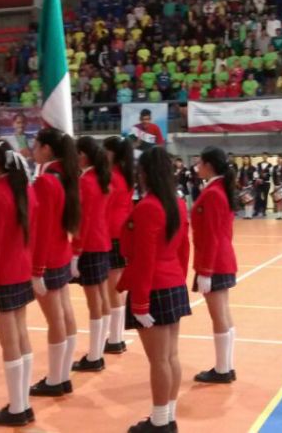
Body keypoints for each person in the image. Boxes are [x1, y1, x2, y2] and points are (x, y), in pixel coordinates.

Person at [118, 147, 191, 433]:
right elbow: (184, 248)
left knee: (159, 360)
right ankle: (167, 416)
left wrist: (140, 302)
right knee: (171, 356)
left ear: (145, 172)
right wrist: (179, 280)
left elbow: (145, 258)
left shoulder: (149, 207)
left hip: (153, 287)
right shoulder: (177, 202)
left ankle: (160, 422)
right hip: (171, 282)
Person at [0, 140, 36, 426]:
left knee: (9, 342)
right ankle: (22, 403)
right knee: (21, 337)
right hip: (22, 271)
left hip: (2, 275)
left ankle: (17, 408)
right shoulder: (25, 190)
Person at [29, 128, 80, 398]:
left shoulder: (47, 181)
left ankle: (55, 379)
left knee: (56, 319)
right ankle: (62, 375)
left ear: (47, 149)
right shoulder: (64, 175)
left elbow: (41, 228)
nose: (33, 149)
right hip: (59, 252)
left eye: (36, 144)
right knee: (64, 313)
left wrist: (36, 269)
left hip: (47, 257)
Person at [192, 146, 238, 384]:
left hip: (215, 261)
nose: (197, 167)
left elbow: (209, 234)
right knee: (224, 314)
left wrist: (206, 270)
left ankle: (222, 369)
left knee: (218, 315)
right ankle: (226, 366)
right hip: (223, 257)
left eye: (200, 162)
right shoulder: (219, 189)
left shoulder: (212, 193)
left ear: (209, 164)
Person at [71, 137, 112, 373]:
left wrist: (75, 251)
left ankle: (95, 355)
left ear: (83, 155)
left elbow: (81, 220)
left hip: (89, 244)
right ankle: (98, 350)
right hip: (101, 241)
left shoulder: (85, 181)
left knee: (94, 301)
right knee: (101, 298)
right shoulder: (100, 177)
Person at [102, 136, 136, 354]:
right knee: (117, 287)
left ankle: (115, 338)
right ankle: (117, 336)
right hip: (122, 231)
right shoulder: (126, 174)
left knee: (112, 288)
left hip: (112, 232)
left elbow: (103, 207)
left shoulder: (111, 176)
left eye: (105, 150)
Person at [271, 154, 282, 220]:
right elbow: (273, 177)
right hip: (276, 186)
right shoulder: (274, 167)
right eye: (278, 158)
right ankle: (278, 215)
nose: (279, 159)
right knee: (278, 200)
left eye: (280, 158)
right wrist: (275, 185)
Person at [255, 153, 272, 217]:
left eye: (266, 156)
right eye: (263, 156)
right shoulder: (258, 164)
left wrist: (266, 175)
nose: (264, 157)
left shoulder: (270, 165)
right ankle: (257, 210)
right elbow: (256, 173)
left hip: (266, 183)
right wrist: (258, 179)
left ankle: (264, 210)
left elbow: (271, 174)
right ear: (262, 156)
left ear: (267, 157)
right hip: (259, 182)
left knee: (265, 196)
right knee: (258, 196)